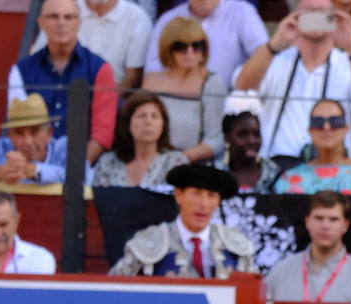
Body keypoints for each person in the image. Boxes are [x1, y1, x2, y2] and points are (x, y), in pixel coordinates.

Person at [232, 0, 351, 166]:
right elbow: (243, 88)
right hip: (276, 169)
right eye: (309, 12)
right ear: (295, 16)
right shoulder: (273, 60)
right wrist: (276, 42)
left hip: (337, 171)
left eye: (322, 13)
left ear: (334, 18)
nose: (316, 17)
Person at [8, 0, 117, 164]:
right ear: (41, 22)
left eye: (68, 17)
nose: (61, 23)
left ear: (79, 23)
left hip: (84, 172)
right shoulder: (21, 71)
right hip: (32, 168)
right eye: (53, 16)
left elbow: (102, 135)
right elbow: (19, 129)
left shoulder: (100, 69)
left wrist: (73, 172)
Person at [109, 163, 255, 277]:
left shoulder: (236, 244)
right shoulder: (149, 242)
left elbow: (256, 298)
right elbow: (114, 289)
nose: (203, 204)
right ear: (179, 196)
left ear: (218, 203)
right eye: (196, 194)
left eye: (211, 196)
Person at [264, 190, 351, 304]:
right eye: (319, 218)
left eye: (333, 219)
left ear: (345, 225)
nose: (325, 226)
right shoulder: (279, 273)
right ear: (307, 222)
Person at [142, 16, 229, 163]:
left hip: (192, 165)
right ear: (168, 49)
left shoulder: (212, 84)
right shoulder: (151, 81)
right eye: (181, 46)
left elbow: (216, 139)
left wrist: (178, 160)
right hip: (150, 162)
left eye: (197, 45)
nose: (190, 52)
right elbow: (137, 127)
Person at [30, 0, 151, 91]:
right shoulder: (65, 9)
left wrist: (104, 101)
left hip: (112, 95)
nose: (62, 21)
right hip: (60, 90)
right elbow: (38, 58)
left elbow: (133, 78)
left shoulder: (137, 18)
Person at [0, 95, 72, 188]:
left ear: (49, 134)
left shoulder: (62, 148)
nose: (28, 141)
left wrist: (35, 171)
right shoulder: (2, 148)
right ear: (10, 136)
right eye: (20, 133)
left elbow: (82, 176)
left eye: (34, 132)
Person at [144, 0, 268, 86]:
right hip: (177, 100)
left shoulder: (243, 12)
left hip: (231, 104)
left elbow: (265, 57)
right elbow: (152, 72)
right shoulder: (168, 20)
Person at [274, 99, 351, 194]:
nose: (326, 127)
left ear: (345, 129)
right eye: (318, 122)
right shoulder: (288, 178)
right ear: (310, 130)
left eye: (335, 121)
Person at [91, 90, 189, 187]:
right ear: (128, 124)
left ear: (163, 125)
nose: (148, 122)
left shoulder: (175, 162)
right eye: (141, 116)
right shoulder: (108, 163)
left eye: (155, 116)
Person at [215, 108, 281, 193]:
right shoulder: (216, 174)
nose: (252, 141)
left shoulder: (275, 174)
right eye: (243, 134)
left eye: (256, 134)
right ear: (227, 138)